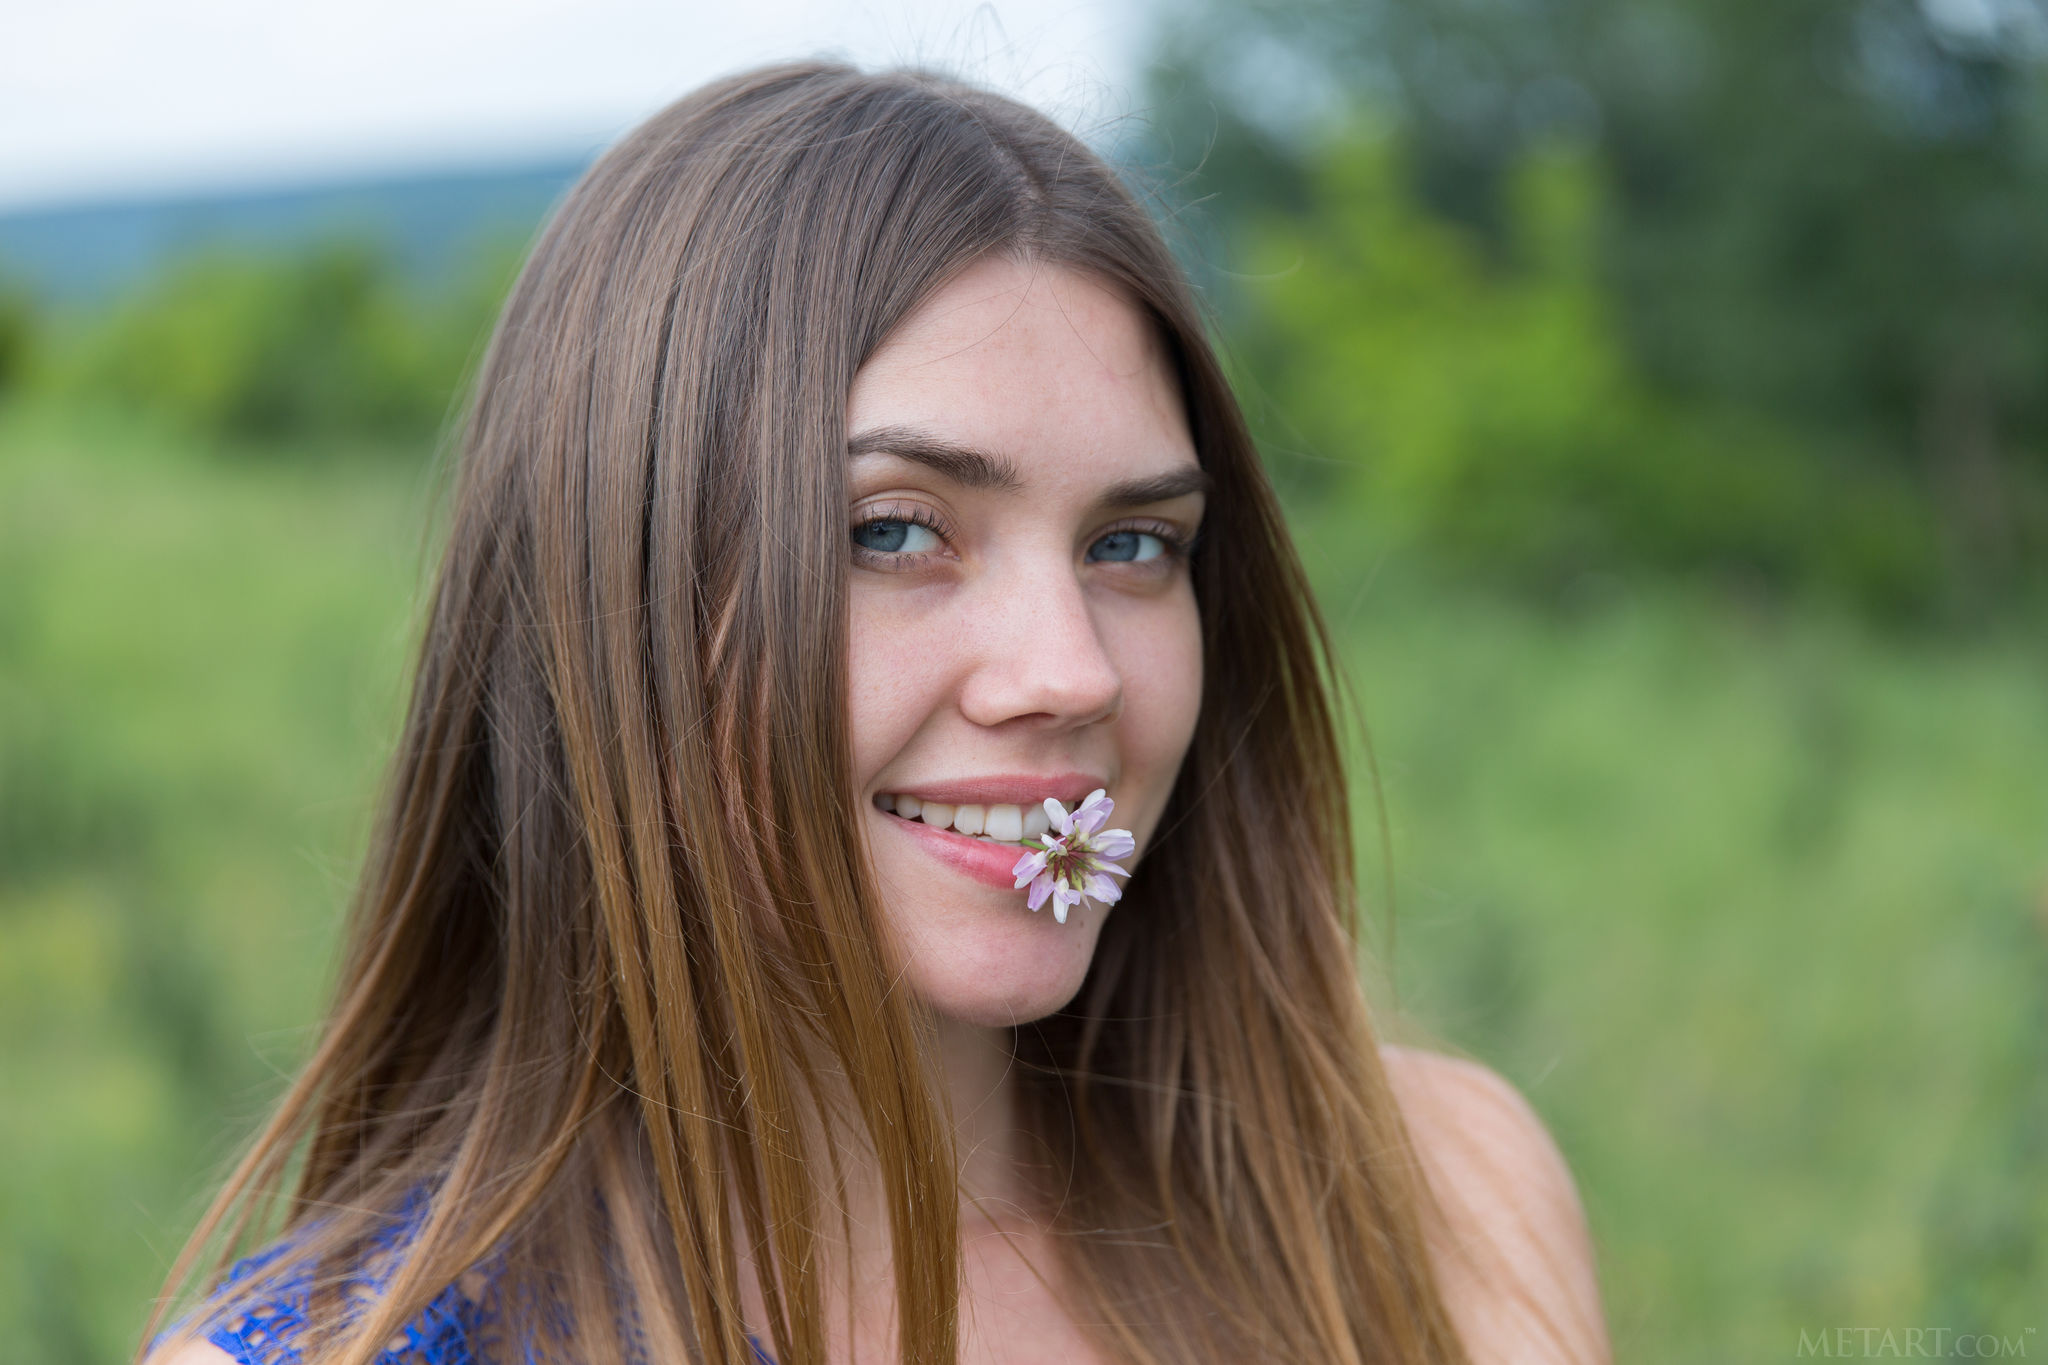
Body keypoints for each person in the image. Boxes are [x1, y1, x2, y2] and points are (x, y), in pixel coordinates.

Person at [140, 61, 1611, 1365]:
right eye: (898, 531)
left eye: (1133, 544)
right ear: (611, 601)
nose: (1072, 670)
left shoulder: (1431, 1198)